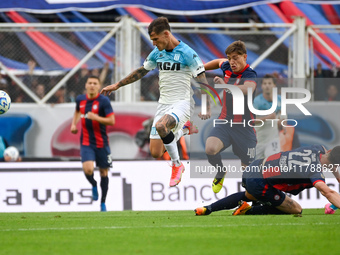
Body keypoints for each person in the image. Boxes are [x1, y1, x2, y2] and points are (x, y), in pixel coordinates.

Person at [101, 17, 211, 187]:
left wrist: (205, 105)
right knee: (155, 151)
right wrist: (117, 85)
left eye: (155, 39)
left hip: (182, 102)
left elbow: (202, 79)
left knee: (161, 126)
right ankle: (183, 131)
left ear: (166, 34)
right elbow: (142, 71)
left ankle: (177, 165)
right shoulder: (157, 53)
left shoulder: (188, 53)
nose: (153, 43)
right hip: (164, 104)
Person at [195, 145, 340, 216]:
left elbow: (331, 156)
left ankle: (207, 209)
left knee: (249, 195)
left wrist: (337, 174)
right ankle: (248, 211)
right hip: (261, 182)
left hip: (254, 167)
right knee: (296, 209)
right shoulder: (315, 171)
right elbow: (327, 192)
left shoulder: (318, 148)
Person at [203, 40, 257, 193]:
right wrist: (201, 68)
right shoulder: (227, 66)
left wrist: (225, 85)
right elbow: (218, 62)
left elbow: (248, 88)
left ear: (245, 57)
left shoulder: (250, 74)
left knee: (247, 173)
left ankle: (248, 202)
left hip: (245, 128)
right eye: (229, 58)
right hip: (225, 121)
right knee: (210, 149)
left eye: (235, 58)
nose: (232, 62)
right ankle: (220, 171)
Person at [70, 75, 115, 212]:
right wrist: (73, 124)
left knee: (103, 172)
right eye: (90, 82)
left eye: (95, 83)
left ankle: (103, 203)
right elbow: (78, 110)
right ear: (86, 85)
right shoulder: (80, 99)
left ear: (99, 86)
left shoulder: (104, 101)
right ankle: (93, 184)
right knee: (88, 169)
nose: (92, 85)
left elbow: (112, 121)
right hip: (86, 142)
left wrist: (96, 117)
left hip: (102, 143)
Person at [253, 74, 281, 160]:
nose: (267, 86)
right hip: (258, 141)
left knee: (272, 163)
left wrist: (282, 123)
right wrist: (267, 118)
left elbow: (282, 119)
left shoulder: (279, 100)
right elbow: (251, 121)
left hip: (273, 140)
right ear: (261, 86)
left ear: (274, 85)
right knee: (254, 168)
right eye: (265, 83)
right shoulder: (256, 101)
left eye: (269, 83)